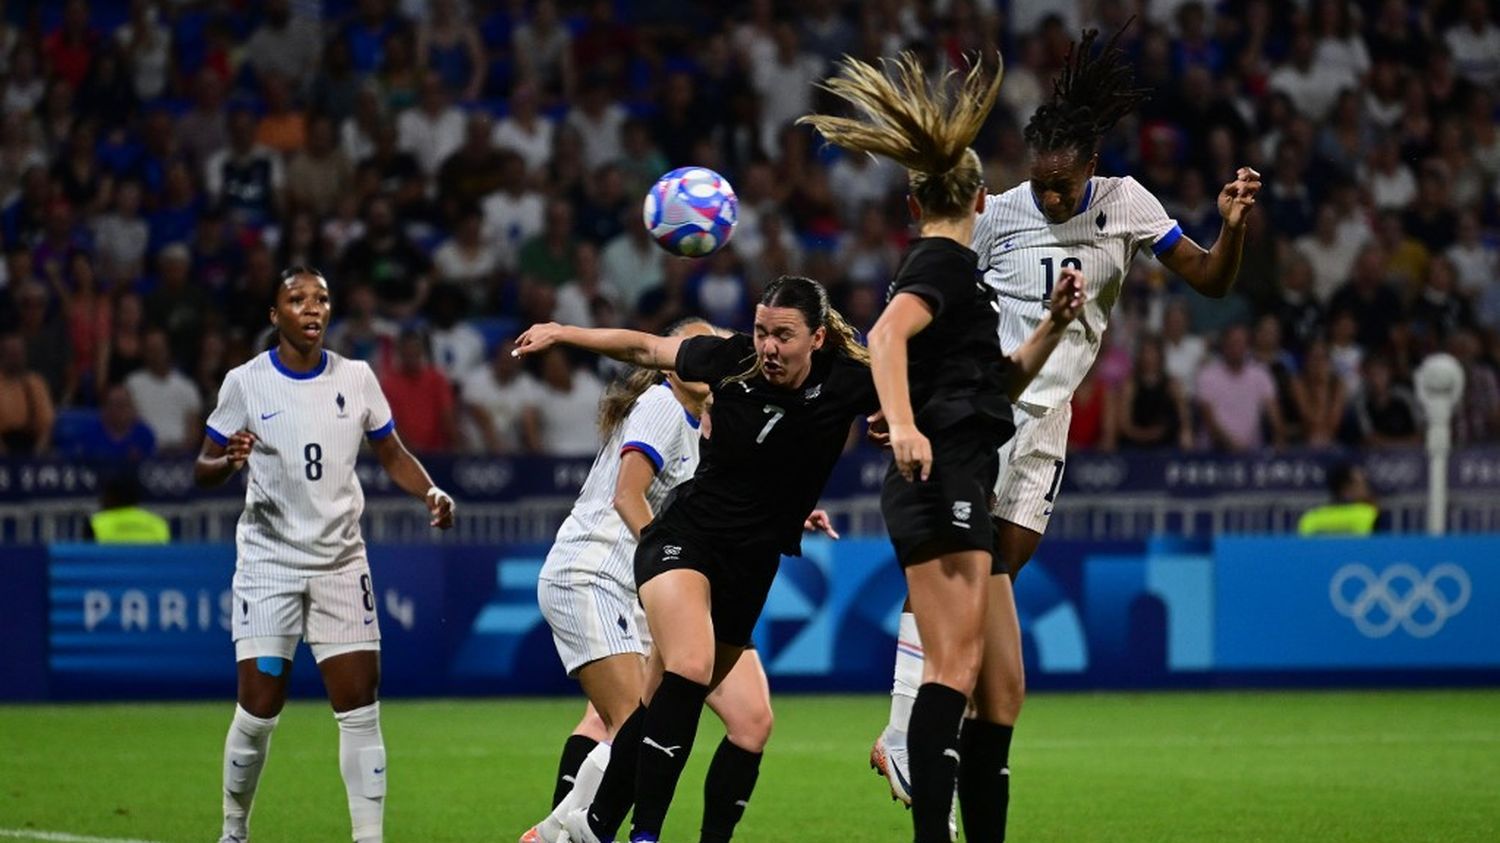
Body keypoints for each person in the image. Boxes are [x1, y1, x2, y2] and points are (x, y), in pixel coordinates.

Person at [867, 25, 1262, 835]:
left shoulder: (1127, 204)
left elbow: (1212, 280)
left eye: (1061, 184)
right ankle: (904, 722)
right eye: (1038, 182)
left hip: (1049, 422)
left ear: (1089, 164)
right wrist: (908, 399)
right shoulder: (998, 215)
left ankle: (937, 743)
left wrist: (1232, 226)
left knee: (993, 604)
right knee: (968, 580)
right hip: (984, 411)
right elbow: (930, 303)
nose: (1047, 198)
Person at [800, 50, 1086, 842]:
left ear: (913, 196)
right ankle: (919, 792)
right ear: (984, 199)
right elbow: (886, 336)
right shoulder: (942, 262)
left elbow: (999, 383)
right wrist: (908, 424)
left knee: (1000, 692)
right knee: (952, 673)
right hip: (945, 476)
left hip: (969, 474)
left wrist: (1057, 325)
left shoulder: (961, 273)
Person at [513, 275, 875, 843]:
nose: (767, 347)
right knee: (681, 674)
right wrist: (564, 332)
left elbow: (908, 392)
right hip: (654, 553)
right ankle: (633, 833)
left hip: (746, 563)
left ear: (818, 339)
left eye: (782, 335)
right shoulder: (709, 376)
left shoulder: (847, 383)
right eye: (760, 332)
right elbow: (643, 350)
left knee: (689, 709)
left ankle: (583, 826)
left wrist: (898, 423)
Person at [195, 266, 455, 843]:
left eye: (321, 299)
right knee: (260, 709)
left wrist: (430, 490)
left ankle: (368, 838)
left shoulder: (358, 377)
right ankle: (234, 831)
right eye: (297, 300)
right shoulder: (245, 383)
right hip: (270, 565)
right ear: (275, 315)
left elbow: (391, 453)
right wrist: (228, 460)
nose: (312, 309)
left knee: (360, 705)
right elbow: (201, 466)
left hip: (341, 563)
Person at [1297, 462, 1380, 536]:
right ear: (1346, 489)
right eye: (1361, 484)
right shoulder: (1368, 515)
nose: (1366, 489)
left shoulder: (1310, 518)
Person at [88, 470, 170, 544]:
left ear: (113, 497)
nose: (101, 500)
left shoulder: (96, 524)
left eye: (105, 495)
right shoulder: (159, 524)